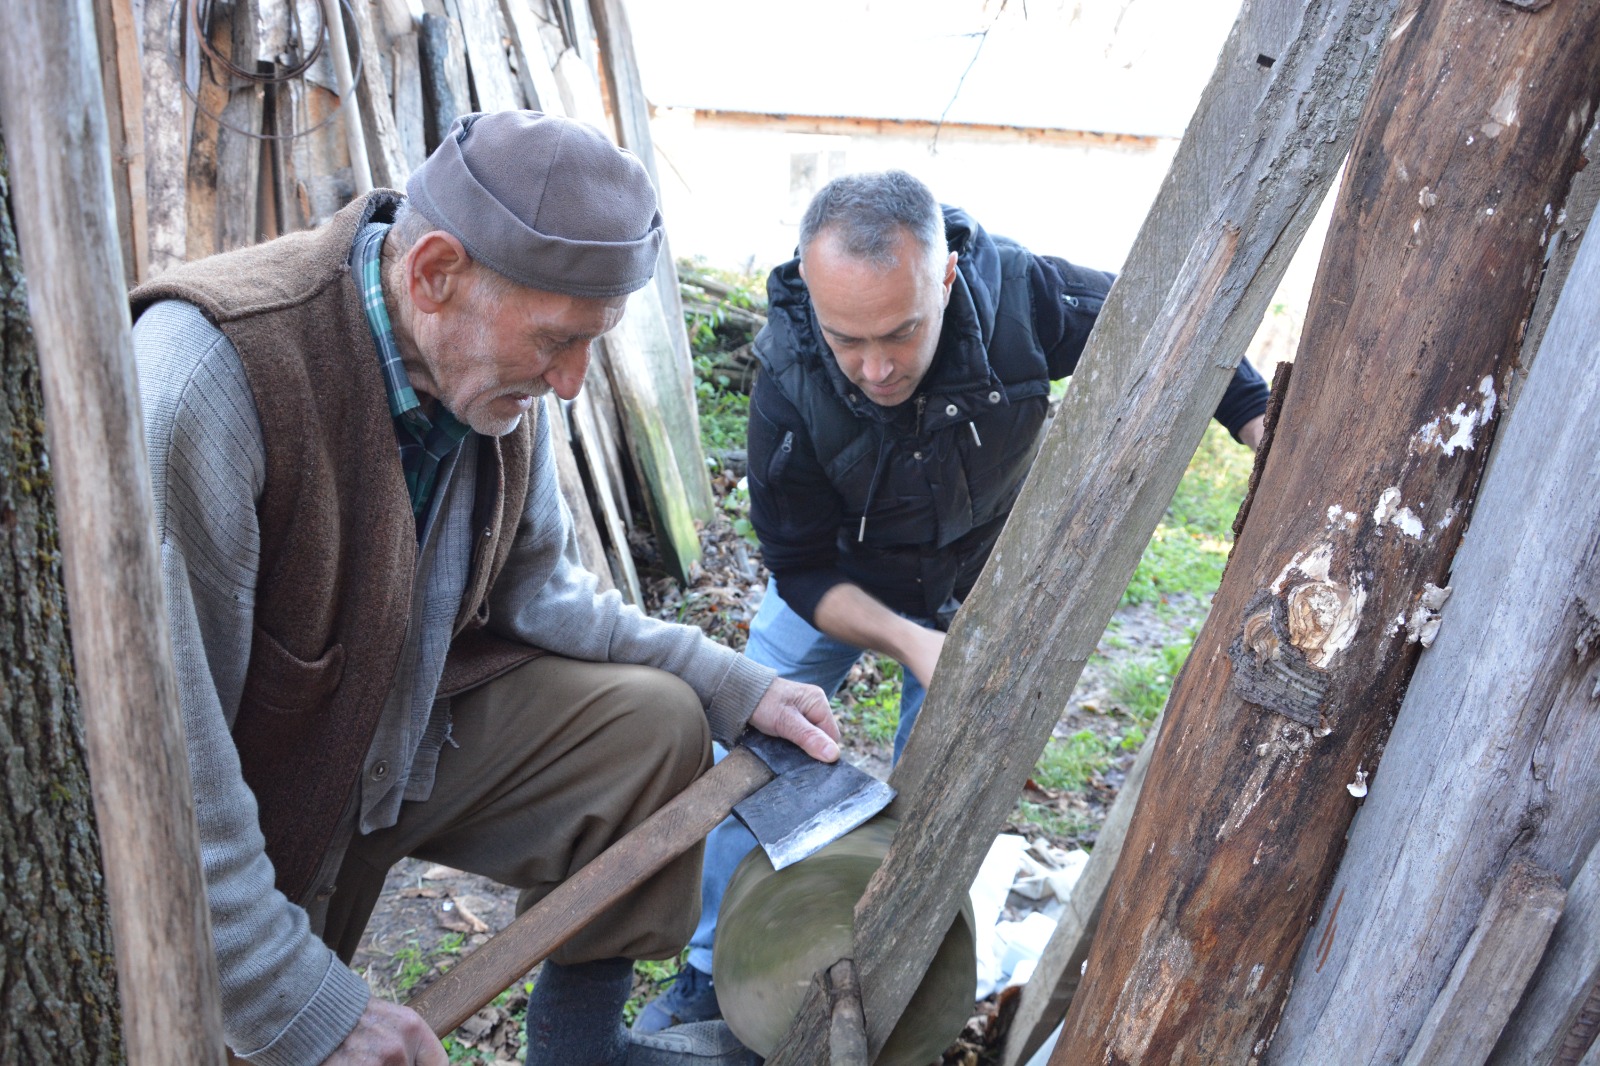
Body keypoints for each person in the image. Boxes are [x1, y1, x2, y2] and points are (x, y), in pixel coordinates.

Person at [128, 110, 839, 1066]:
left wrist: (732, 685)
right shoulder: (207, 382)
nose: (574, 383)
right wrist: (294, 999)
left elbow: (544, 594)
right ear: (433, 273)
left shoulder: (485, 372)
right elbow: (158, 758)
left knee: (652, 727)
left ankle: (578, 1050)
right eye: (557, 342)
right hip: (237, 791)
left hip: (388, 743)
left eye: (595, 342)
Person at [634, 170, 1268, 1033]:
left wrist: (1258, 415)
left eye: (901, 332)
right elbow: (798, 567)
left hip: (974, 580)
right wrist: (904, 639)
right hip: (840, 583)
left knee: (937, 781)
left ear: (947, 276)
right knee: (744, 745)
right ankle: (711, 969)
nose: (876, 366)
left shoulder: (1021, 299)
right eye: (847, 339)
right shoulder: (788, 372)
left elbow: (1177, 315)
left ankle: (907, 964)